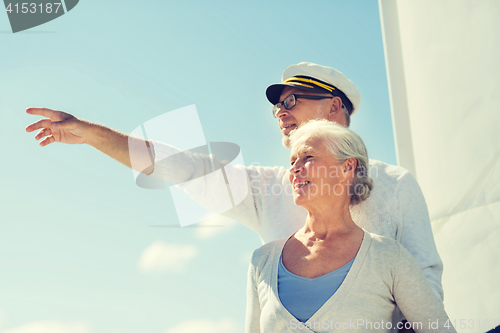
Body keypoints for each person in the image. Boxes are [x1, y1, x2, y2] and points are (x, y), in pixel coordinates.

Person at [25, 62, 444, 313]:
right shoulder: (269, 189)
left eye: (291, 100)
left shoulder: (395, 185)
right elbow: (183, 166)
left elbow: (426, 287)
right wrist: (93, 134)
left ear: (334, 106)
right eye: (277, 105)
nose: (280, 111)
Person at [246, 119, 454, 333]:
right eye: (292, 162)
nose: (295, 170)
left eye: (308, 157)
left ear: (347, 167)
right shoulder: (262, 262)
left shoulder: (390, 258)